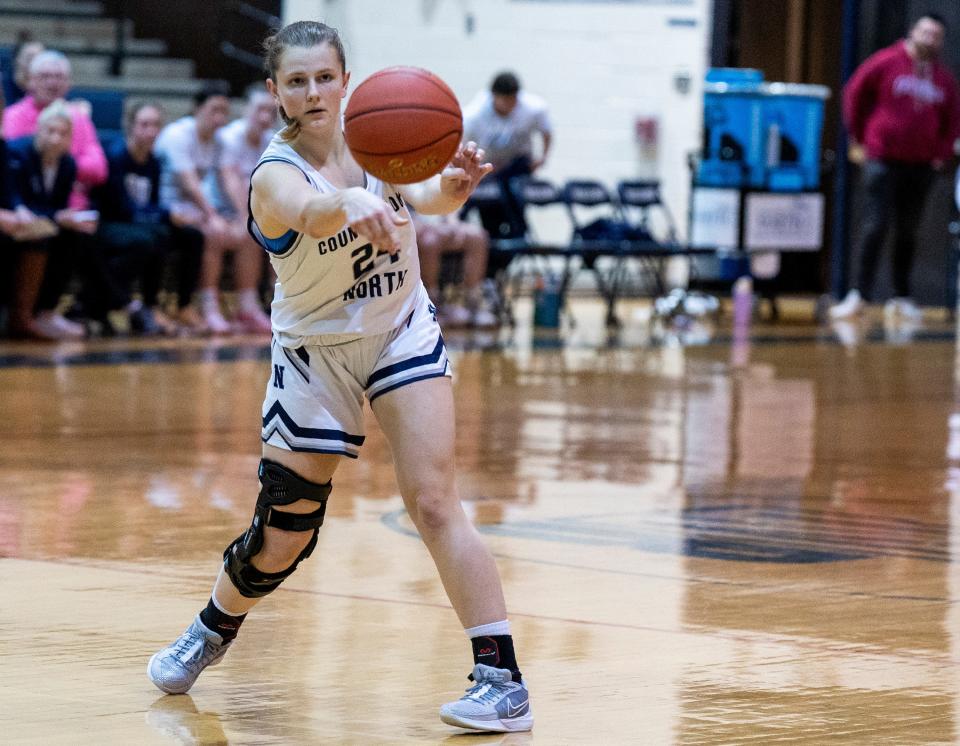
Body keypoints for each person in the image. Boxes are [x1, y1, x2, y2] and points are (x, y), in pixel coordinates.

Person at [146, 20, 533, 734]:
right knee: (284, 531)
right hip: (314, 350)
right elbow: (310, 210)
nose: (313, 91)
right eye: (297, 81)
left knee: (436, 500)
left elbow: (429, 200)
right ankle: (212, 625)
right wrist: (351, 205)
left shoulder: (381, 136)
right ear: (276, 93)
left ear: (346, 80)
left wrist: (453, 183)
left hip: (397, 329)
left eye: (325, 76)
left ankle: (501, 677)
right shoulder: (273, 172)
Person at [832, 12, 960, 322]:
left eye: (936, 35)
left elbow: (953, 118)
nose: (930, 39)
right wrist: (860, 138)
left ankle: (901, 297)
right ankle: (858, 295)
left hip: (920, 165)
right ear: (912, 32)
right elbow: (853, 94)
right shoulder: (885, 62)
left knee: (908, 231)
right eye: (925, 32)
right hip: (882, 159)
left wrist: (941, 151)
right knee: (875, 225)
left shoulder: (943, 78)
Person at [87, 102, 205, 335]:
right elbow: (121, 207)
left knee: (193, 236)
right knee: (153, 237)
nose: (151, 131)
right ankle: (138, 305)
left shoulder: (153, 161)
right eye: (144, 124)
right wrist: (165, 215)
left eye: (155, 125)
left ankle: (182, 305)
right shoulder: (116, 155)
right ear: (130, 126)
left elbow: (149, 204)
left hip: (139, 222)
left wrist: (172, 214)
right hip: (110, 223)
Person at [7, 100, 98, 339]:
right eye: (51, 131)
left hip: (43, 221)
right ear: (38, 129)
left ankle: (47, 312)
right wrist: (56, 216)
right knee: (41, 236)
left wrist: (64, 217)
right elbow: (16, 198)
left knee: (77, 236)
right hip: (16, 220)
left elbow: (57, 205)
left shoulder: (67, 164)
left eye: (63, 133)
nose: (56, 138)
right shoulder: (18, 152)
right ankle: (21, 316)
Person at [203, 86, 278, 334]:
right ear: (246, 110)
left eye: (271, 111)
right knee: (242, 233)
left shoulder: (273, 141)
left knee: (274, 234)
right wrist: (246, 216)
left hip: (252, 212)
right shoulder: (229, 137)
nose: (266, 117)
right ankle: (213, 306)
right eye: (260, 110)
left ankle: (264, 305)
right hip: (218, 209)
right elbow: (229, 180)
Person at [2, 50, 108, 210]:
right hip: (24, 208)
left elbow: (98, 169)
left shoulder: (79, 118)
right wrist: (68, 170)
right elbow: (10, 166)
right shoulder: (12, 116)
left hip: (73, 208)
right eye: (45, 76)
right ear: (30, 81)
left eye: (59, 77)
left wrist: (57, 166)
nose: (53, 83)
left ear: (68, 84)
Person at [462, 71, 552, 243]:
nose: (511, 104)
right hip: (488, 171)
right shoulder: (474, 116)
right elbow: (462, 147)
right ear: (494, 96)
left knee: (516, 224)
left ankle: (519, 234)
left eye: (514, 99)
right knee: (491, 222)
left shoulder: (533, 108)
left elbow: (546, 131)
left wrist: (542, 158)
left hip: (517, 168)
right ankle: (493, 261)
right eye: (506, 100)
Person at [412, 211, 498, 328]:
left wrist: (453, 224)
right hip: (417, 225)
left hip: (443, 222)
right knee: (430, 241)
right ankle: (432, 304)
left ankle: (474, 303)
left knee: (478, 236)